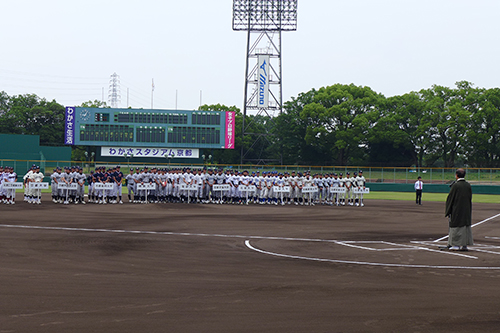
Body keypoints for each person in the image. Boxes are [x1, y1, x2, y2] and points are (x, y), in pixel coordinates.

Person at [444, 168, 473, 251]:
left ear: (456, 175)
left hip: (457, 210)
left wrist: (448, 211)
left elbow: (450, 199)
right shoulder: (468, 185)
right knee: (465, 226)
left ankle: (456, 245)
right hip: (466, 210)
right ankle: (464, 245)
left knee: (456, 226)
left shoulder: (456, 185)